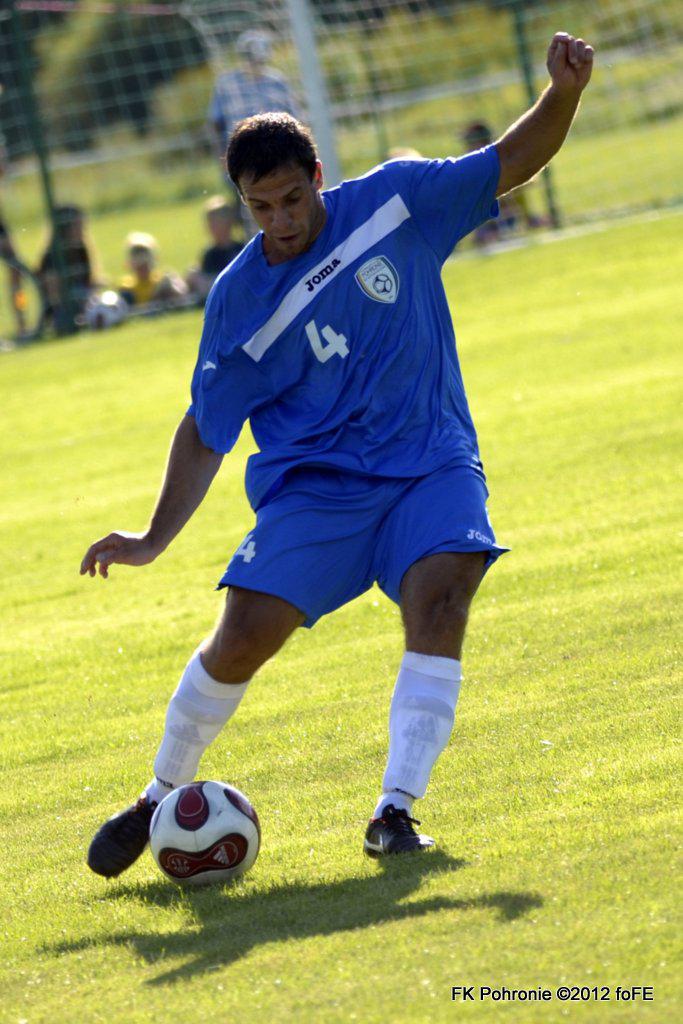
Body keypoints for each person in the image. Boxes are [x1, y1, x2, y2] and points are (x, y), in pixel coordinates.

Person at [82, 32, 594, 874]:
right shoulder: (239, 299)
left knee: (443, 597)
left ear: (317, 176)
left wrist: (562, 94)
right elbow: (206, 426)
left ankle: (395, 809)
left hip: (428, 460)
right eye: (261, 208)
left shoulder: (395, 204)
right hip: (316, 490)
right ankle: (156, 794)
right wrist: (151, 537)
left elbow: (508, 160)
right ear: (242, 203)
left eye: (292, 199)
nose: (280, 222)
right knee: (243, 637)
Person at [462, 121, 548, 246]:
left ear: (482, 142)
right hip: (487, 223)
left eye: (471, 142)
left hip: (505, 218)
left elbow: (527, 181)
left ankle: (529, 221)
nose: (467, 147)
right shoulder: (469, 166)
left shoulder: (496, 160)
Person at [37, 205, 97, 332]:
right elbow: (54, 298)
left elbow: (88, 282)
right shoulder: (51, 257)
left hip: (83, 304)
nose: (82, 230)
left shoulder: (81, 250)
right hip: (61, 312)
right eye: (78, 226)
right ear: (65, 229)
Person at [185, 196, 244, 303]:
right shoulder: (210, 254)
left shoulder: (240, 249)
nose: (210, 227)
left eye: (215, 222)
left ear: (229, 223)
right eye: (209, 223)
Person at [118, 232, 188, 309]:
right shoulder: (127, 287)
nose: (141, 259)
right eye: (136, 254)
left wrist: (172, 289)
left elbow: (183, 299)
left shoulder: (163, 279)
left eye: (144, 253)